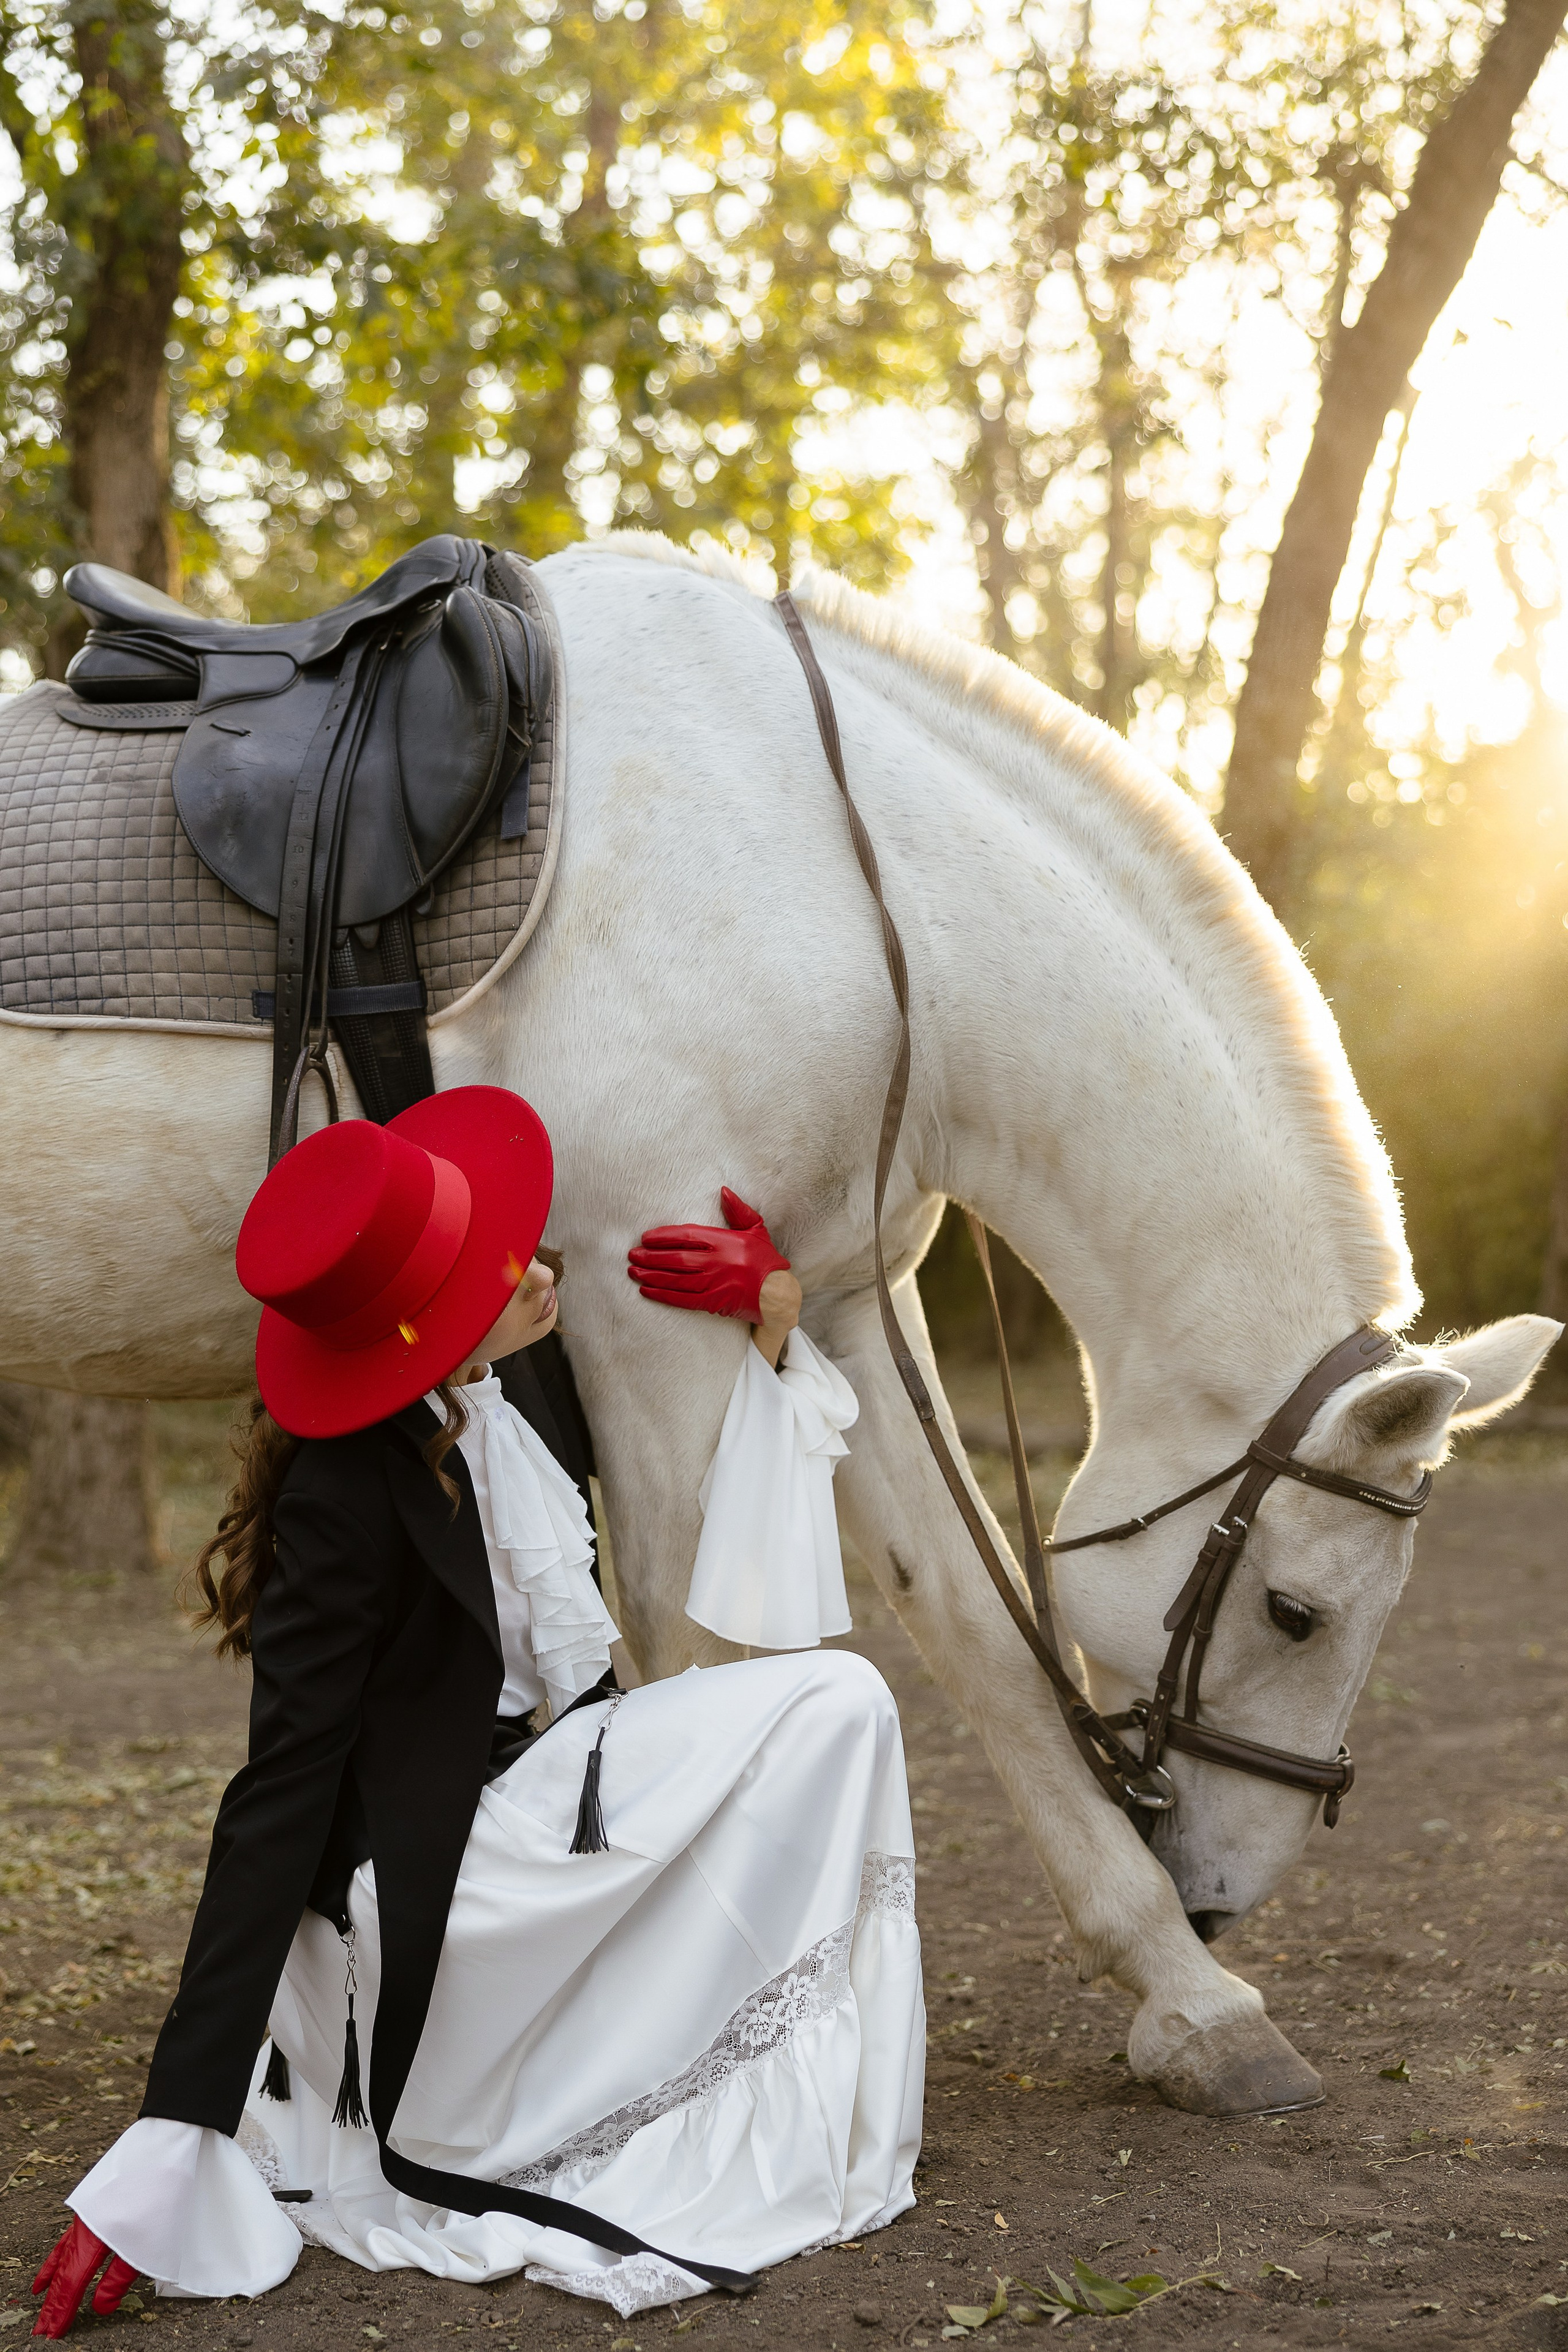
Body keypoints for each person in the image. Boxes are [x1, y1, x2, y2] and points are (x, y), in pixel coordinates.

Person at [31, 1087, 922, 2337]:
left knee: (833, 1703)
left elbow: (718, 1535)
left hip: (568, 1773)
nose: (536, 1269)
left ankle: (766, 2057)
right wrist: (177, 2111)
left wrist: (770, 1322)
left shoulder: (512, 1384)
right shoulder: (340, 1498)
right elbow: (280, 1788)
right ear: (413, 1327)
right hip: (451, 1863)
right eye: (490, 1273)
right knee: (839, 1699)